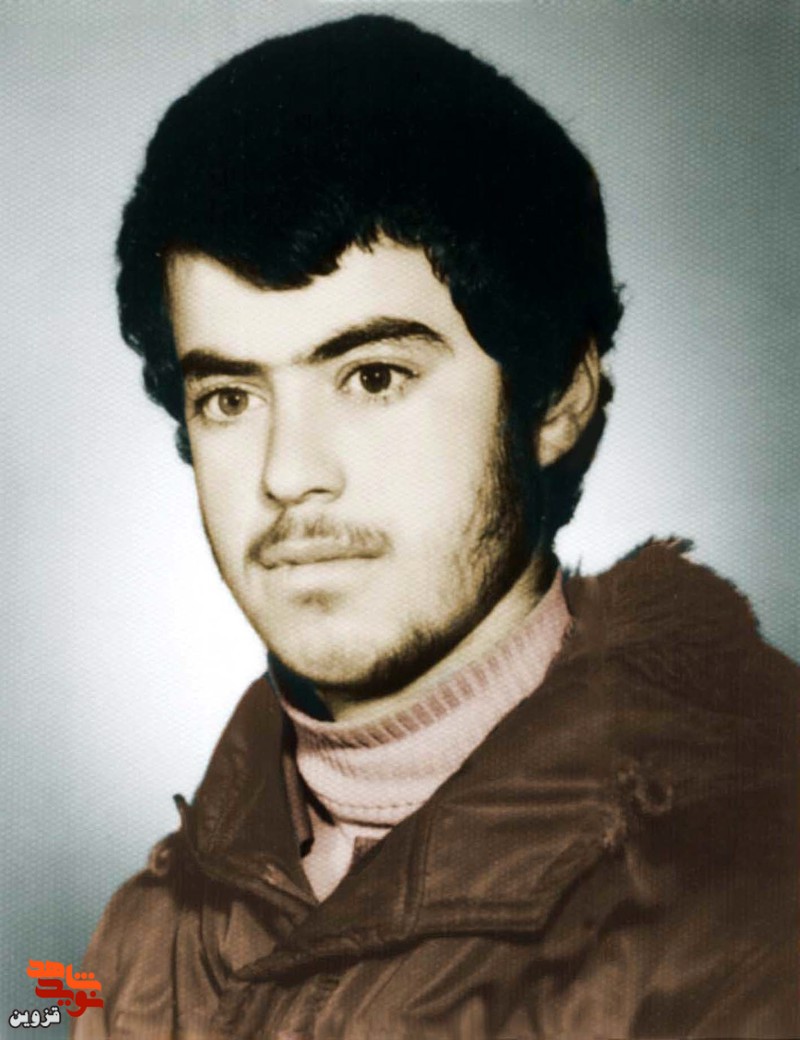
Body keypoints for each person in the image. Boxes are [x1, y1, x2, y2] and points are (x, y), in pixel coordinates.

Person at [76, 14, 798, 1040]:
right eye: (230, 397)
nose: (288, 474)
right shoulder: (137, 941)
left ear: (556, 397)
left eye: (373, 376)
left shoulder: (748, 906)